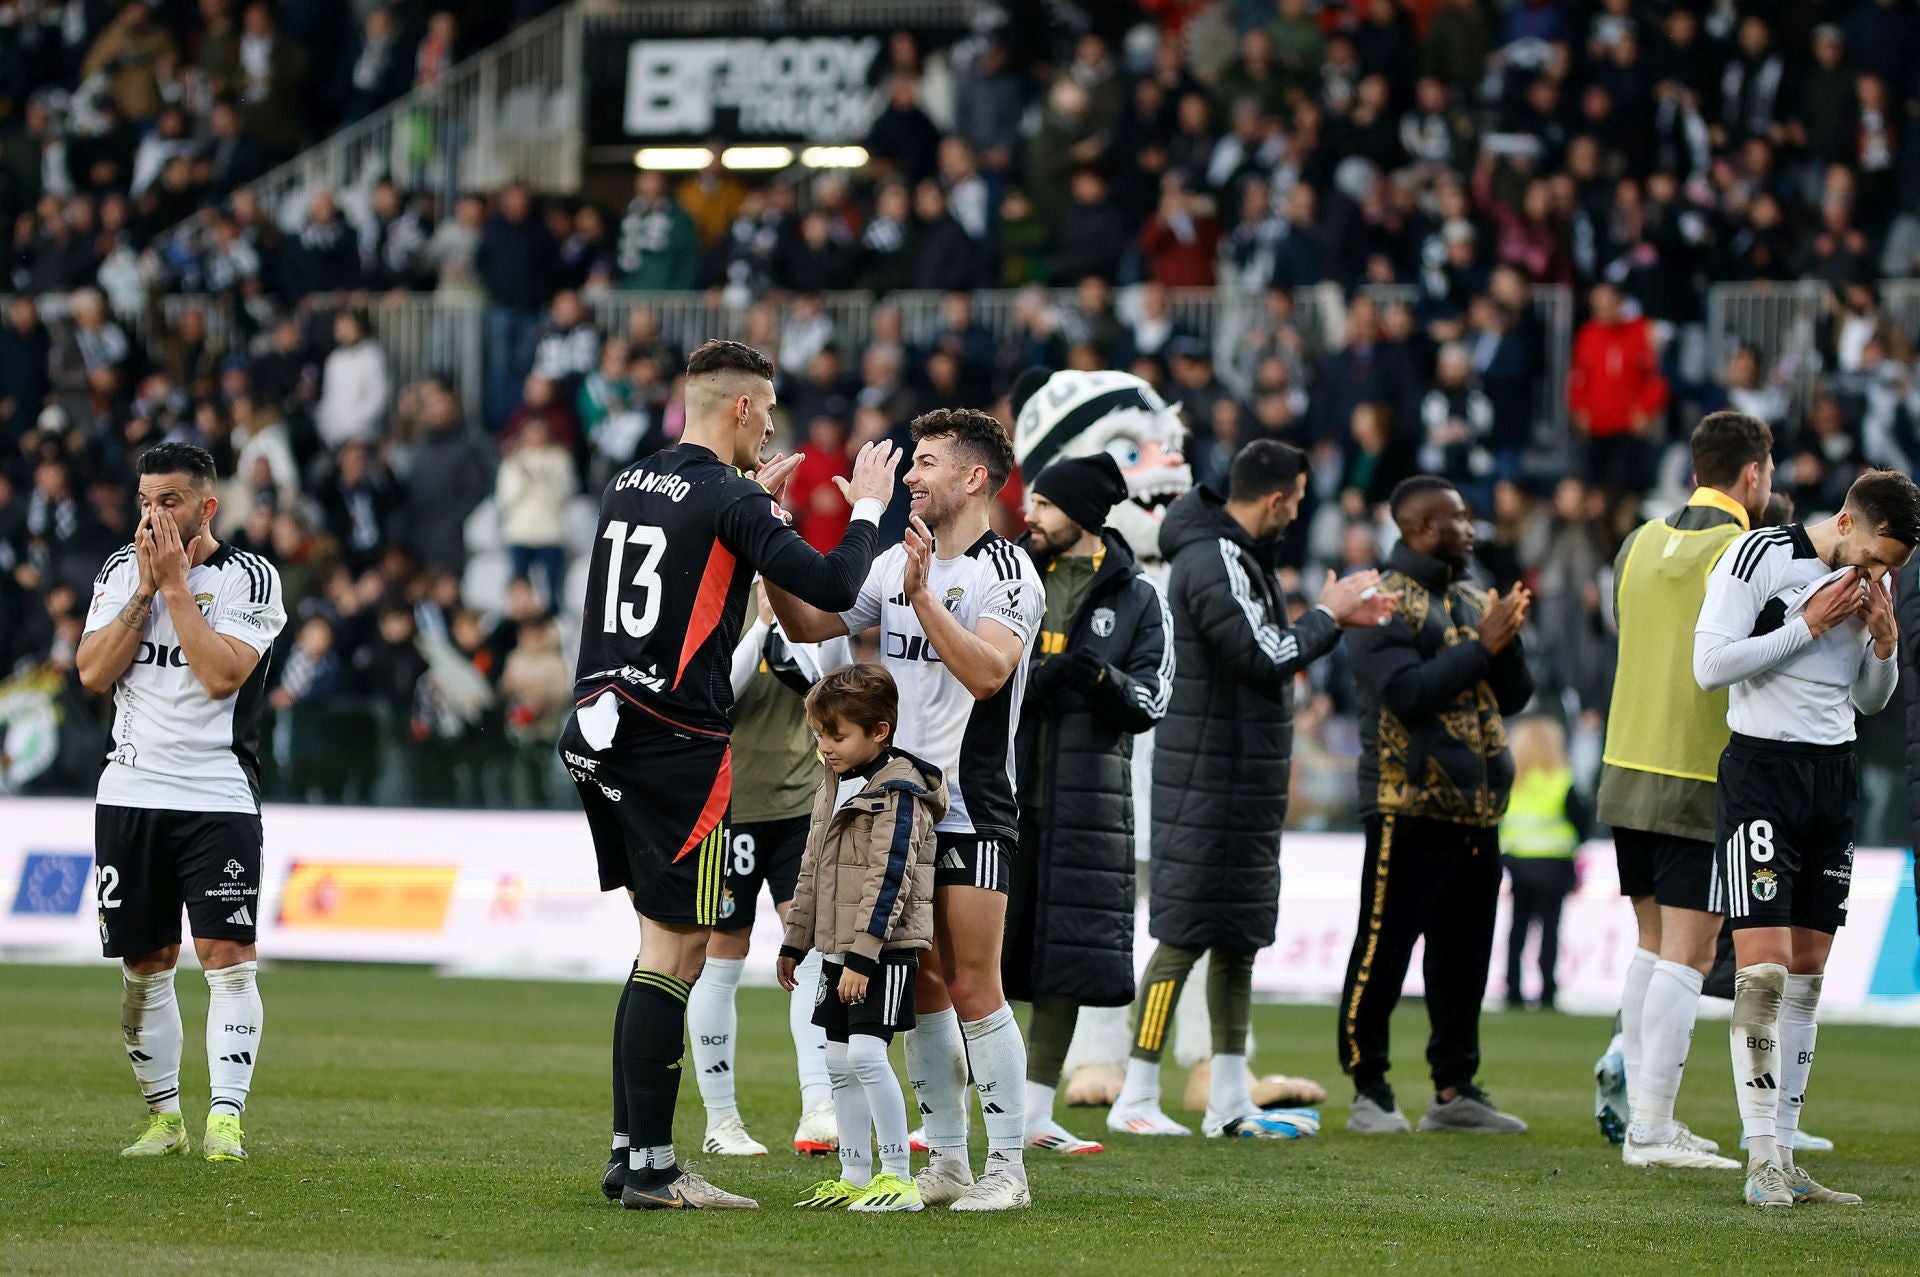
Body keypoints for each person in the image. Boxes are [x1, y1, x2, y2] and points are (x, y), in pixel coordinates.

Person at [560, 339, 900, 1212]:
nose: (772, 430)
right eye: (770, 412)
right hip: (680, 743)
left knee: (651, 954)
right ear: (743, 408)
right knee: (676, 957)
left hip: (604, 729)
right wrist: (864, 507)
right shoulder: (732, 496)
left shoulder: (629, 481)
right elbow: (829, 585)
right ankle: (654, 1170)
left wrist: (761, 517)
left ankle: (627, 1151)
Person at [769, 408, 1045, 1212]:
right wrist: (769, 541)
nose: (911, 478)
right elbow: (810, 621)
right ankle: (950, 1162)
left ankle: (1010, 1171)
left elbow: (989, 673)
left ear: (973, 478)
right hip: (899, 809)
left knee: (973, 983)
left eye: (926, 464)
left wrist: (925, 600)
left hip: (972, 805)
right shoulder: (893, 562)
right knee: (923, 981)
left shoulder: (1008, 572)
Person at [1108, 440, 1394, 1141]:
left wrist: (1325, 618)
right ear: (1274, 498)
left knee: (1237, 939)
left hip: (1238, 778)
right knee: (1181, 938)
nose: (1296, 513)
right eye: (1294, 500)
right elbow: (1261, 653)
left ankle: (1229, 1097)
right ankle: (1138, 1092)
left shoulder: (1229, 554)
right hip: (1207, 777)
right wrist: (1326, 614)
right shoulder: (1214, 558)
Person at [1693, 468, 1920, 1207]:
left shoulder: (1870, 589)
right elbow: (1710, 665)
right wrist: (1807, 625)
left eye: (1895, 569)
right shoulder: (1760, 556)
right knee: (1763, 971)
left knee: (1809, 977)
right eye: (1877, 558)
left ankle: (1786, 1152)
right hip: (1761, 772)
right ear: (1848, 521)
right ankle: (1759, 1156)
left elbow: (1866, 697)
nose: (1880, 576)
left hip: (1833, 778)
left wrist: (1884, 646)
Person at [74, 443, 288, 1163]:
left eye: (168, 501)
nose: (153, 515)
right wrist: (144, 588)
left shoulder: (249, 577)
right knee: (145, 963)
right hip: (129, 790)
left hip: (216, 795)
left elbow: (222, 674)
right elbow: (93, 672)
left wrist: (173, 586)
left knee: (228, 957)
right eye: (144, 501)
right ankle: (165, 1118)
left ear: (206, 507)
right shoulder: (116, 570)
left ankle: (225, 1118)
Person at [1592, 411, 1773, 1170]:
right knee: (1690, 955)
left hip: (1625, 762)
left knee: (1651, 945)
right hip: (1699, 767)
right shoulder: (1745, 549)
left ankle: (1644, 1113)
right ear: (1754, 473)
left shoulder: (1636, 543)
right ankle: (1652, 1128)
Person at [1339, 476, 1535, 1136]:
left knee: (1465, 955)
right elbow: (1406, 693)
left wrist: (1504, 645)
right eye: (1457, 517)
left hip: (1478, 810)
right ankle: (1369, 1085)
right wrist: (1482, 645)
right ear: (1420, 526)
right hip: (1406, 803)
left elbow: (1514, 696)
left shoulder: (1477, 594)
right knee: (1384, 949)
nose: (1471, 526)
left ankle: (1456, 1089)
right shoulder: (1381, 601)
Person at [1005, 453, 1171, 1155]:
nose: (1029, 515)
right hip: (1001, 795)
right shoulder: (1011, 572)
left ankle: (1036, 1113)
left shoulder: (1138, 597)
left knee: (1062, 966)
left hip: (1086, 805)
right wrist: (1038, 680)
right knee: (977, 960)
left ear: (1081, 515)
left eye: (1043, 504)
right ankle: (950, 1107)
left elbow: (1152, 698)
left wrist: (1098, 676)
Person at [687, 583, 849, 1158]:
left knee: (808, 947)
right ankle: (721, 1120)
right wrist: (759, 626)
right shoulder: (718, 620)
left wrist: (791, 624)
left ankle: (818, 1106)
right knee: (722, 952)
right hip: (728, 814)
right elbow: (717, 692)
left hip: (799, 810)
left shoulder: (812, 623)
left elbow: (836, 691)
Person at [778, 663, 943, 1213]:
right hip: (834, 951)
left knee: (869, 1057)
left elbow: (890, 878)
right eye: (821, 735)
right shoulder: (833, 783)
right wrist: (794, 943)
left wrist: (862, 958)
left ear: (880, 731)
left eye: (837, 735)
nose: (826, 747)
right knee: (836, 1061)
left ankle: (898, 1176)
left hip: (881, 953)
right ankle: (853, 1174)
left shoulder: (900, 793)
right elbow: (811, 869)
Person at [1499, 716, 1588, 1010]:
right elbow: (1582, 822)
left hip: (1519, 864)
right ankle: (1547, 991)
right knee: (1550, 930)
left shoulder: (1512, 782)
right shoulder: (1562, 780)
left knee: (1518, 930)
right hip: (1554, 864)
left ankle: (1512, 989)